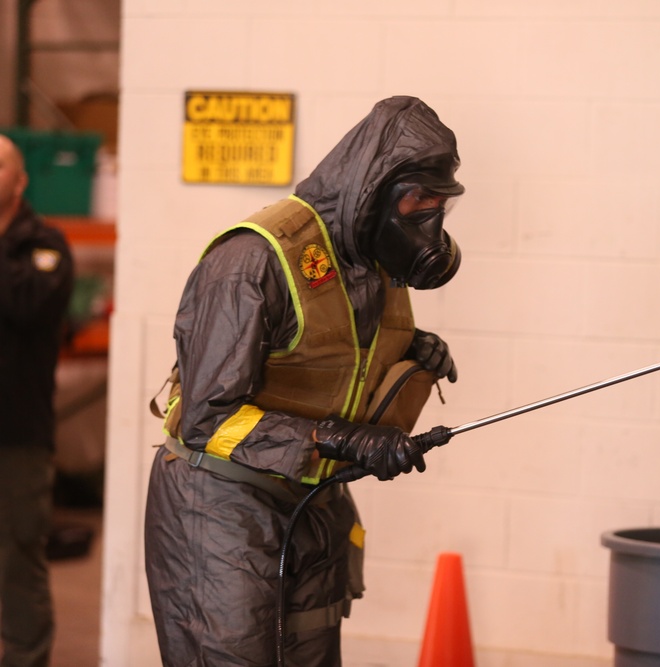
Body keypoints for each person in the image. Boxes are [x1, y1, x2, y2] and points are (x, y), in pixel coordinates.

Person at [144, 96, 463, 667]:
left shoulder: (372, 259)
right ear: (374, 190)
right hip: (220, 502)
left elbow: (328, 350)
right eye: (418, 201)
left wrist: (410, 348)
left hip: (311, 498)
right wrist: (337, 439)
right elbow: (206, 421)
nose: (430, 225)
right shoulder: (252, 260)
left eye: (439, 205)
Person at [0, 134, 75, 667]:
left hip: (17, 433)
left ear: (20, 180)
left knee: (17, 556)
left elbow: (26, 304)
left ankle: (26, 658)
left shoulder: (46, 245)